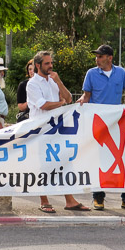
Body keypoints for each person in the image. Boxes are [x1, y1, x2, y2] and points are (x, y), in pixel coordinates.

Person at [78, 44, 125, 212]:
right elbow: (87, 96)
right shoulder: (91, 73)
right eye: (96, 57)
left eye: (100, 56)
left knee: (124, 158)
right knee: (100, 160)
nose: (97, 59)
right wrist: (81, 102)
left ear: (109, 58)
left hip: (116, 122)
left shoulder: (120, 72)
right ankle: (98, 197)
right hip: (98, 123)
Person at [26, 50, 90, 213]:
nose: (51, 66)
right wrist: (60, 103)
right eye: (47, 63)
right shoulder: (32, 84)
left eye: (51, 63)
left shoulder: (53, 80)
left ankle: (69, 200)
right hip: (41, 130)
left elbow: (68, 99)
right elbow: (43, 105)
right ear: (38, 65)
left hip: (57, 129)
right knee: (44, 165)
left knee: (63, 161)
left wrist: (59, 81)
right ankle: (44, 200)